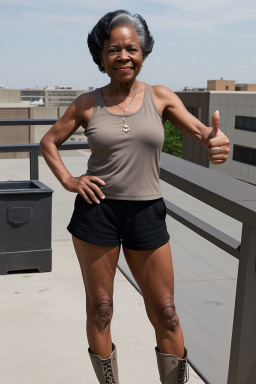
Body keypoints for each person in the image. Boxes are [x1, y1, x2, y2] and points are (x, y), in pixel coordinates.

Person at [39, 10, 230, 384]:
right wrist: (70, 180)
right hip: (97, 213)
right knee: (101, 309)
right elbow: (49, 141)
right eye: (114, 50)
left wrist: (216, 142)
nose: (123, 56)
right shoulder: (86, 103)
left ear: (143, 53)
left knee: (167, 312)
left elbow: (203, 133)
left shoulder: (160, 96)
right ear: (101, 57)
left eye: (131, 48)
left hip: (146, 213)